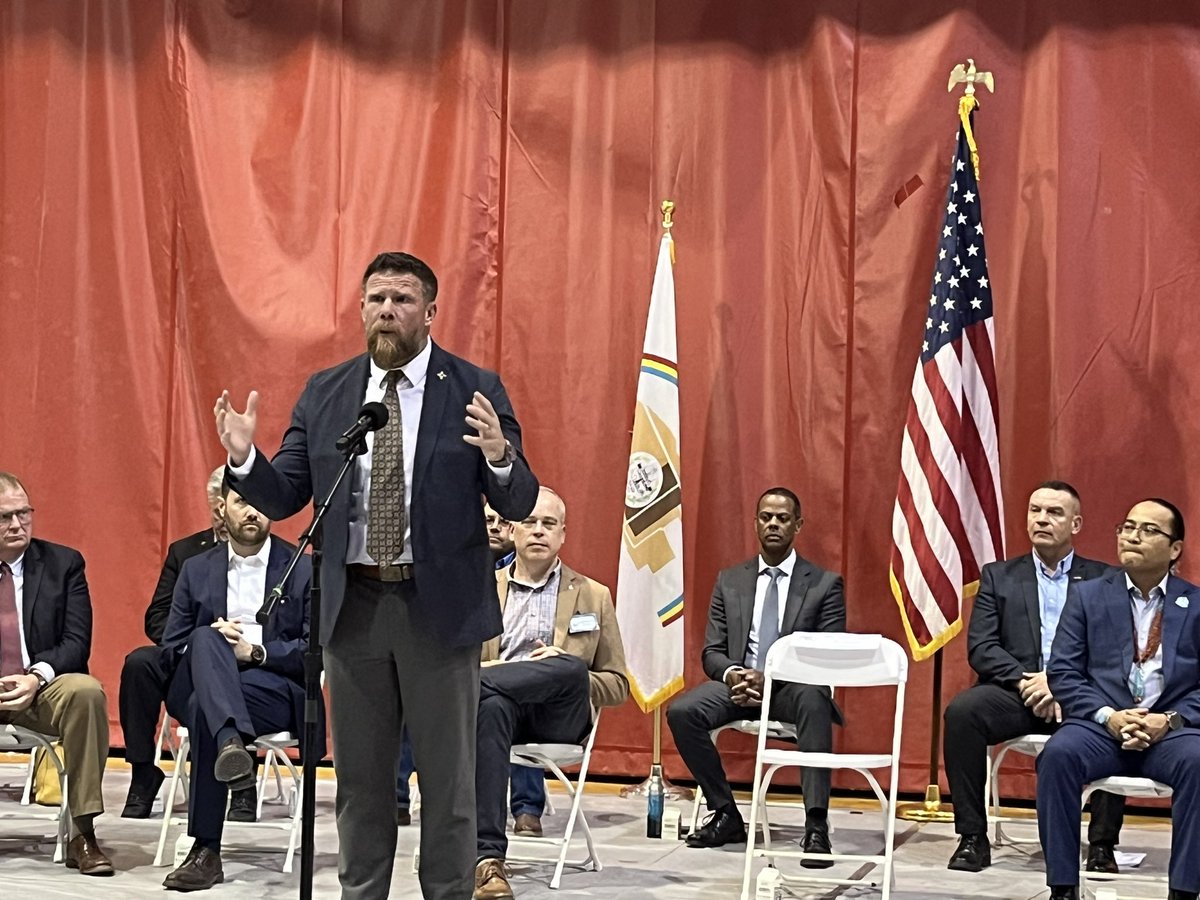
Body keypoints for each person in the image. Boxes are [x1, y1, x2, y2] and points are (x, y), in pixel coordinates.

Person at [215, 251, 539, 899]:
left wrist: (501, 457)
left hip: (438, 614)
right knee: (361, 785)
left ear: (430, 312)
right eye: (375, 300)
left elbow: (521, 502)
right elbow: (286, 496)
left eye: (401, 299)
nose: (386, 311)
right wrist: (245, 458)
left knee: (448, 784)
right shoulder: (329, 391)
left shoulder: (474, 389)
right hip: (353, 611)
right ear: (361, 309)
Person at [943, 481, 1124, 872]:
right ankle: (972, 837)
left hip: (1081, 695)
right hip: (1018, 691)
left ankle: (1102, 844)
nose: (1042, 519)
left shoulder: (1106, 579)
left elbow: (1113, 653)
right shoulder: (999, 576)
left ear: (1076, 524)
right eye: (1035, 510)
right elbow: (983, 647)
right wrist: (1029, 680)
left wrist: (1060, 683)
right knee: (963, 712)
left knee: (1119, 709)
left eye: (1054, 512)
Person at [666, 487, 845, 865]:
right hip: (738, 687)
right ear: (755, 523)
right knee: (683, 712)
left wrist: (772, 679)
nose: (773, 524)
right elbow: (712, 651)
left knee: (815, 699)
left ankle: (816, 825)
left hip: (791, 689)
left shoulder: (824, 584)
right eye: (766, 517)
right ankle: (726, 812)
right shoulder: (730, 580)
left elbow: (825, 656)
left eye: (782, 518)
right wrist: (734, 675)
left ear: (798, 524)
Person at [1038, 498, 1200, 900]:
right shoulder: (1090, 595)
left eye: (1148, 530)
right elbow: (1063, 671)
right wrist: (1108, 716)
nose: (1132, 536)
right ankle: (1062, 888)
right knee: (1057, 755)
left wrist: (1172, 720)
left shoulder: (1195, 603)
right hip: (1101, 728)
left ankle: (1183, 891)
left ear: (1174, 549)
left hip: (1171, 731)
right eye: (1127, 527)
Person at [158, 484, 317, 891]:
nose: (253, 511)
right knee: (206, 640)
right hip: (211, 679)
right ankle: (232, 743)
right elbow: (172, 644)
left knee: (203, 708)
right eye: (242, 502)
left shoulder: (300, 567)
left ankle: (206, 850)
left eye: (261, 503)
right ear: (221, 509)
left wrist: (254, 651)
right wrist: (213, 639)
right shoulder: (196, 568)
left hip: (274, 688)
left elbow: (315, 650)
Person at [473, 487, 629, 899]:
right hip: (500, 711)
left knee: (567, 668)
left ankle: (470, 687)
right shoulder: (483, 588)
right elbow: (462, 657)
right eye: (530, 522)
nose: (539, 531)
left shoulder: (593, 595)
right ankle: (488, 862)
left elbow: (617, 685)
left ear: (563, 534)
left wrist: (563, 673)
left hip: (559, 718)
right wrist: (505, 675)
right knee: (490, 707)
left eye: (549, 524)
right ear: (512, 530)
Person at [120, 466, 260, 821]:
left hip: (246, 657)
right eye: (223, 505)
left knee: (220, 686)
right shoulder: (185, 553)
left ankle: (243, 782)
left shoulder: (271, 555)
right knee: (139, 663)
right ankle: (142, 772)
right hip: (188, 655)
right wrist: (205, 636)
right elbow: (157, 618)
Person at [0, 472, 113, 875]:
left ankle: (82, 831)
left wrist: (34, 678)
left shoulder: (63, 563)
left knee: (86, 691)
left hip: (40, 690)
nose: (18, 525)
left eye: (24, 514)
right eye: (5, 517)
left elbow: (76, 643)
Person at [396, 504, 529, 830]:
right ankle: (396, 799)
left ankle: (527, 808)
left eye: (504, 522)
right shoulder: (454, 576)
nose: (496, 527)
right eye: (488, 520)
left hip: (514, 683)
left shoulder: (533, 577)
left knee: (504, 706)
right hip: (460, 676)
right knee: (408, 697)